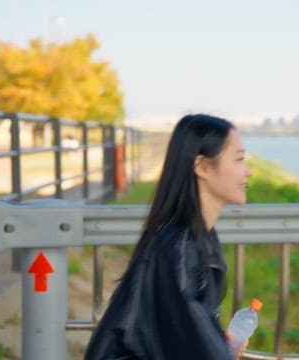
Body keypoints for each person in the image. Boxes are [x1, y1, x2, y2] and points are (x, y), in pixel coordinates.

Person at [85, 114, 252, 359]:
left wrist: (216, 340)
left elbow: (183, 333)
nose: (248, 172)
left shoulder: (197, 237)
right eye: (239, 160)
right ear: (203, 167)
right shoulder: (179, 248)